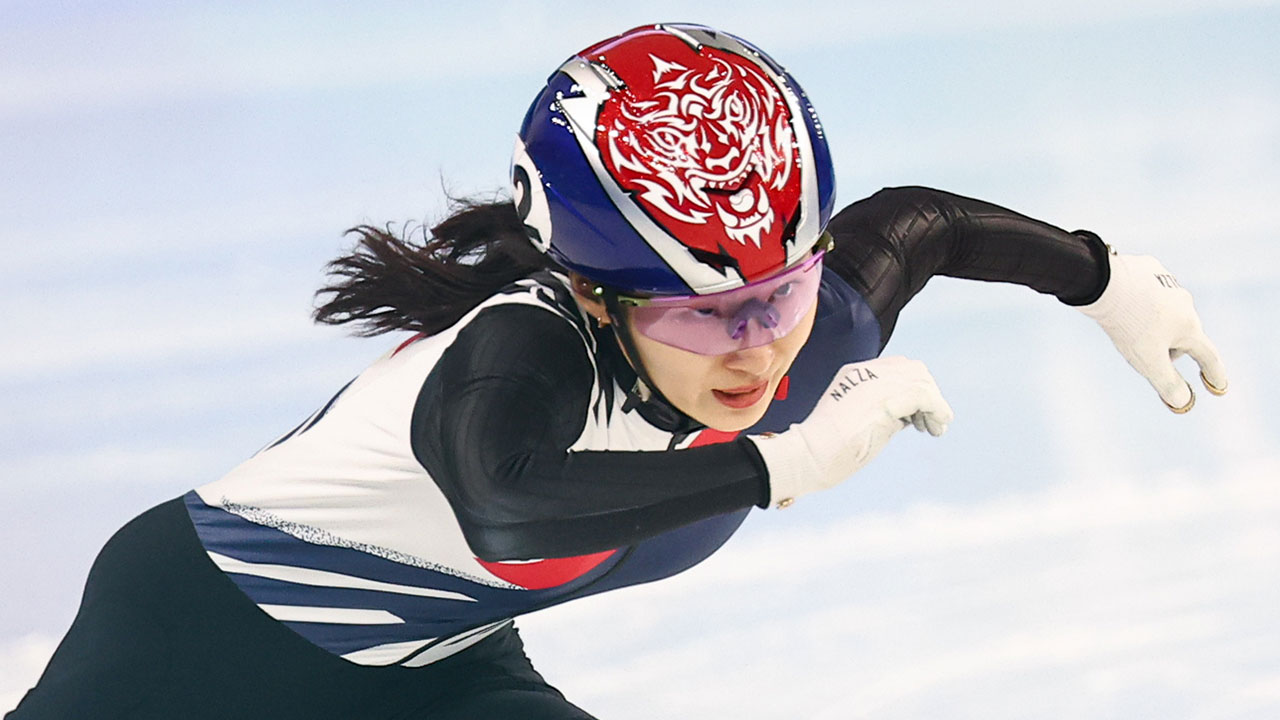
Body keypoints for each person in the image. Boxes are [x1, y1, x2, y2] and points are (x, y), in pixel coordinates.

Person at [8, 22, 1227, 720]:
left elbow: (922, 227)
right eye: (700, 317)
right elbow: (508, 499)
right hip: (194, 646)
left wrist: (1099, 275)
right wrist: (774, 467)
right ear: (596, 294)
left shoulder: (808, 326)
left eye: (778, 293)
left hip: (438, 672)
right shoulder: (518, 353)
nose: (755, 345)